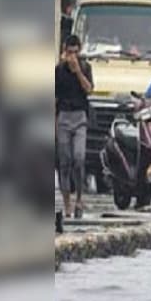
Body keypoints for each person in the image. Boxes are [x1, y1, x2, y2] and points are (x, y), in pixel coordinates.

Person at [55, 34, 93, 219]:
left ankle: (79, 198)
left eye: (76, 53)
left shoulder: (85, 67)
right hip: (63, 116)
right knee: (65, 162)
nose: (72, 57)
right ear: (64, 51)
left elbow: (89, 89)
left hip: (79, 117)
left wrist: (78, 71)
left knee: (79, 158)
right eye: (70, 53)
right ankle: (67, 203)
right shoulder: (58, 70)